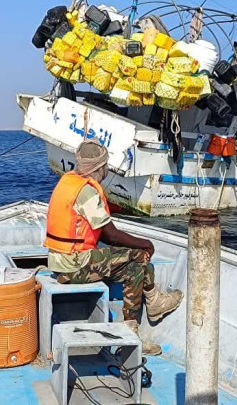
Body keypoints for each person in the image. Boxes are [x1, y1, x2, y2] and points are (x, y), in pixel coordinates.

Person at [44, 140, 183, 355]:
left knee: (135, 269)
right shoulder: (87, 193)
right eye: (106, 165)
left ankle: (133, 330)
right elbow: (111, 236)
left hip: (61, 260)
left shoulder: (69, 181)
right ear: (100, 168)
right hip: (74, 265)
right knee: (138, 254)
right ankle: (152, 303)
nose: (108, 169)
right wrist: (145, 243)